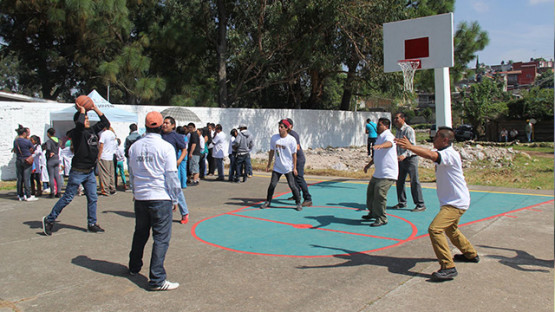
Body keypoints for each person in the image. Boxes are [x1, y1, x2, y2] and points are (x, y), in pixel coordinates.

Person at [396, 127, 479, 281]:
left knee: (435, 229)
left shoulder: (449, 154)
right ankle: (470, 254)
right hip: (454, 201)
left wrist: (410, 147)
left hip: (455, 203)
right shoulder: (447, 152)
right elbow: (431, 152)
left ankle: (448, 267)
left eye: (436, 137)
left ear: (445, 140)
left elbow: (431, 155)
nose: (433, 140)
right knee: (451, 230)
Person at [128, 111, 180, 291]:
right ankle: (157, 278)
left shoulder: (134, 147)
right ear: (160, 126)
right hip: (160, 196)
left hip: (141, 197)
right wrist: (175, 198)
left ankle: (134, 266)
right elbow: (172, 176)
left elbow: (132, 174)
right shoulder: (166, 147)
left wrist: (135, 192)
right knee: (161, 238)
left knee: (140, 233)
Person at [42, 99, 109, 235]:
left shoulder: (92, 130)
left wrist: (95, 108)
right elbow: (79, 125)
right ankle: (49, 219)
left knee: (93, 197)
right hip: (78, 171)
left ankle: (92, 223)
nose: (87, 120)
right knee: (67, 198)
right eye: (84, 119)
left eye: (87, 118)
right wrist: (82, 111)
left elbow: (105, 123)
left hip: (89, 171)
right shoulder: (76, 133)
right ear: (79, 120)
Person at [361, 118, 398, 227]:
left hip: (388, 173)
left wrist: (381, 146)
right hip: (378, 173)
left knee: (380, 194)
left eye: (379, 125)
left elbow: (389, 143)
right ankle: (373, 213)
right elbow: (377, 155)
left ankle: (382, 218)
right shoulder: (379, 137)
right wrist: (368, 165)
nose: (377, 127)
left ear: (386, 126)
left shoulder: (388, 135)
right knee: (371, 194)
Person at [260, 119, 302, 211]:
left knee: (292, 185)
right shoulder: (274, 138)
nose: (279, 129)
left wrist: (294, 168)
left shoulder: (291, 140)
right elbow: (271, 152)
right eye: (279, 127)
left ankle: (298, 202)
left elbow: (294, 155)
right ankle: (268, 201)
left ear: (286, 128)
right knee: (272, 185)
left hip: (288, 168)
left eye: (282, 127)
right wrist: (269, 164)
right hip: (277, 167)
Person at [392, 112, 426, 212]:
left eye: (397, 118)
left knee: (414, 181)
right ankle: (402, 202)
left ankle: (420, 204)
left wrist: (404, 155)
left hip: (410, 158)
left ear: (403, 119)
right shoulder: (397, 131)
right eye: (395, 118)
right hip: (400, 159)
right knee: (400, 181)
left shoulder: (408, 130)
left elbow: (411, 146)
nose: (395, 120)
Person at [162, 116, 190, 224]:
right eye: (163, 123)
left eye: (167, 123)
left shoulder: (177, 136)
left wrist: (179, 161)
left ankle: (184, 213)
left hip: (171, 167)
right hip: (160, 167)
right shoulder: (159, 135)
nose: (164, 125)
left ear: (173, 125)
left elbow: (184, 150)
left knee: (176, 189)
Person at [285, 118, 312, 207]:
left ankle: (308, 199)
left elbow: (297, 148)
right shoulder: (285, 135)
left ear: (290, 126)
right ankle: (297, 195)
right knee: (292, 179)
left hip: (298, 159)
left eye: (286, 124)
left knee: (299, 178)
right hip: (292, 160)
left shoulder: (293, 135)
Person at [13, 126, 38, 201]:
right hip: (27, 159)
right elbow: (33, 149)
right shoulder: (27, 141)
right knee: (26, 178)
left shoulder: (16, 141)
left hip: (19, 159)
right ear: (24, 133)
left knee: (20, 178)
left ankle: (20, 194)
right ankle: (28, 195)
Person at [97, 126, 117, 195]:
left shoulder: (103, 134)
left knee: (104, 174)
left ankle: (105, 190)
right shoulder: (112, 134)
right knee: (111, 174)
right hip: (110, 155)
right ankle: (112, 188)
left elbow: (101, 145)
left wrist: (99, 155)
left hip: (104, 155)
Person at [45, 128, 63, 198]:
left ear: (49, 133)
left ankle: (52, 192)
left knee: (51, 177)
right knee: (57, 176)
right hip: (57, 157)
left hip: (51, 159)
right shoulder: (57, 141)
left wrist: (48, 154)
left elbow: (48, 149)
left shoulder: (49, 141)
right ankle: (58, 192)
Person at [124, 123, 141, 189]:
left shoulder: (128, 138)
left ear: (130, 129)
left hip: (130, 156)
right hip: (138, 156)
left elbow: (126, 147)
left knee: (131, 172)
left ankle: (132, 185)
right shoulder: (139, 137)